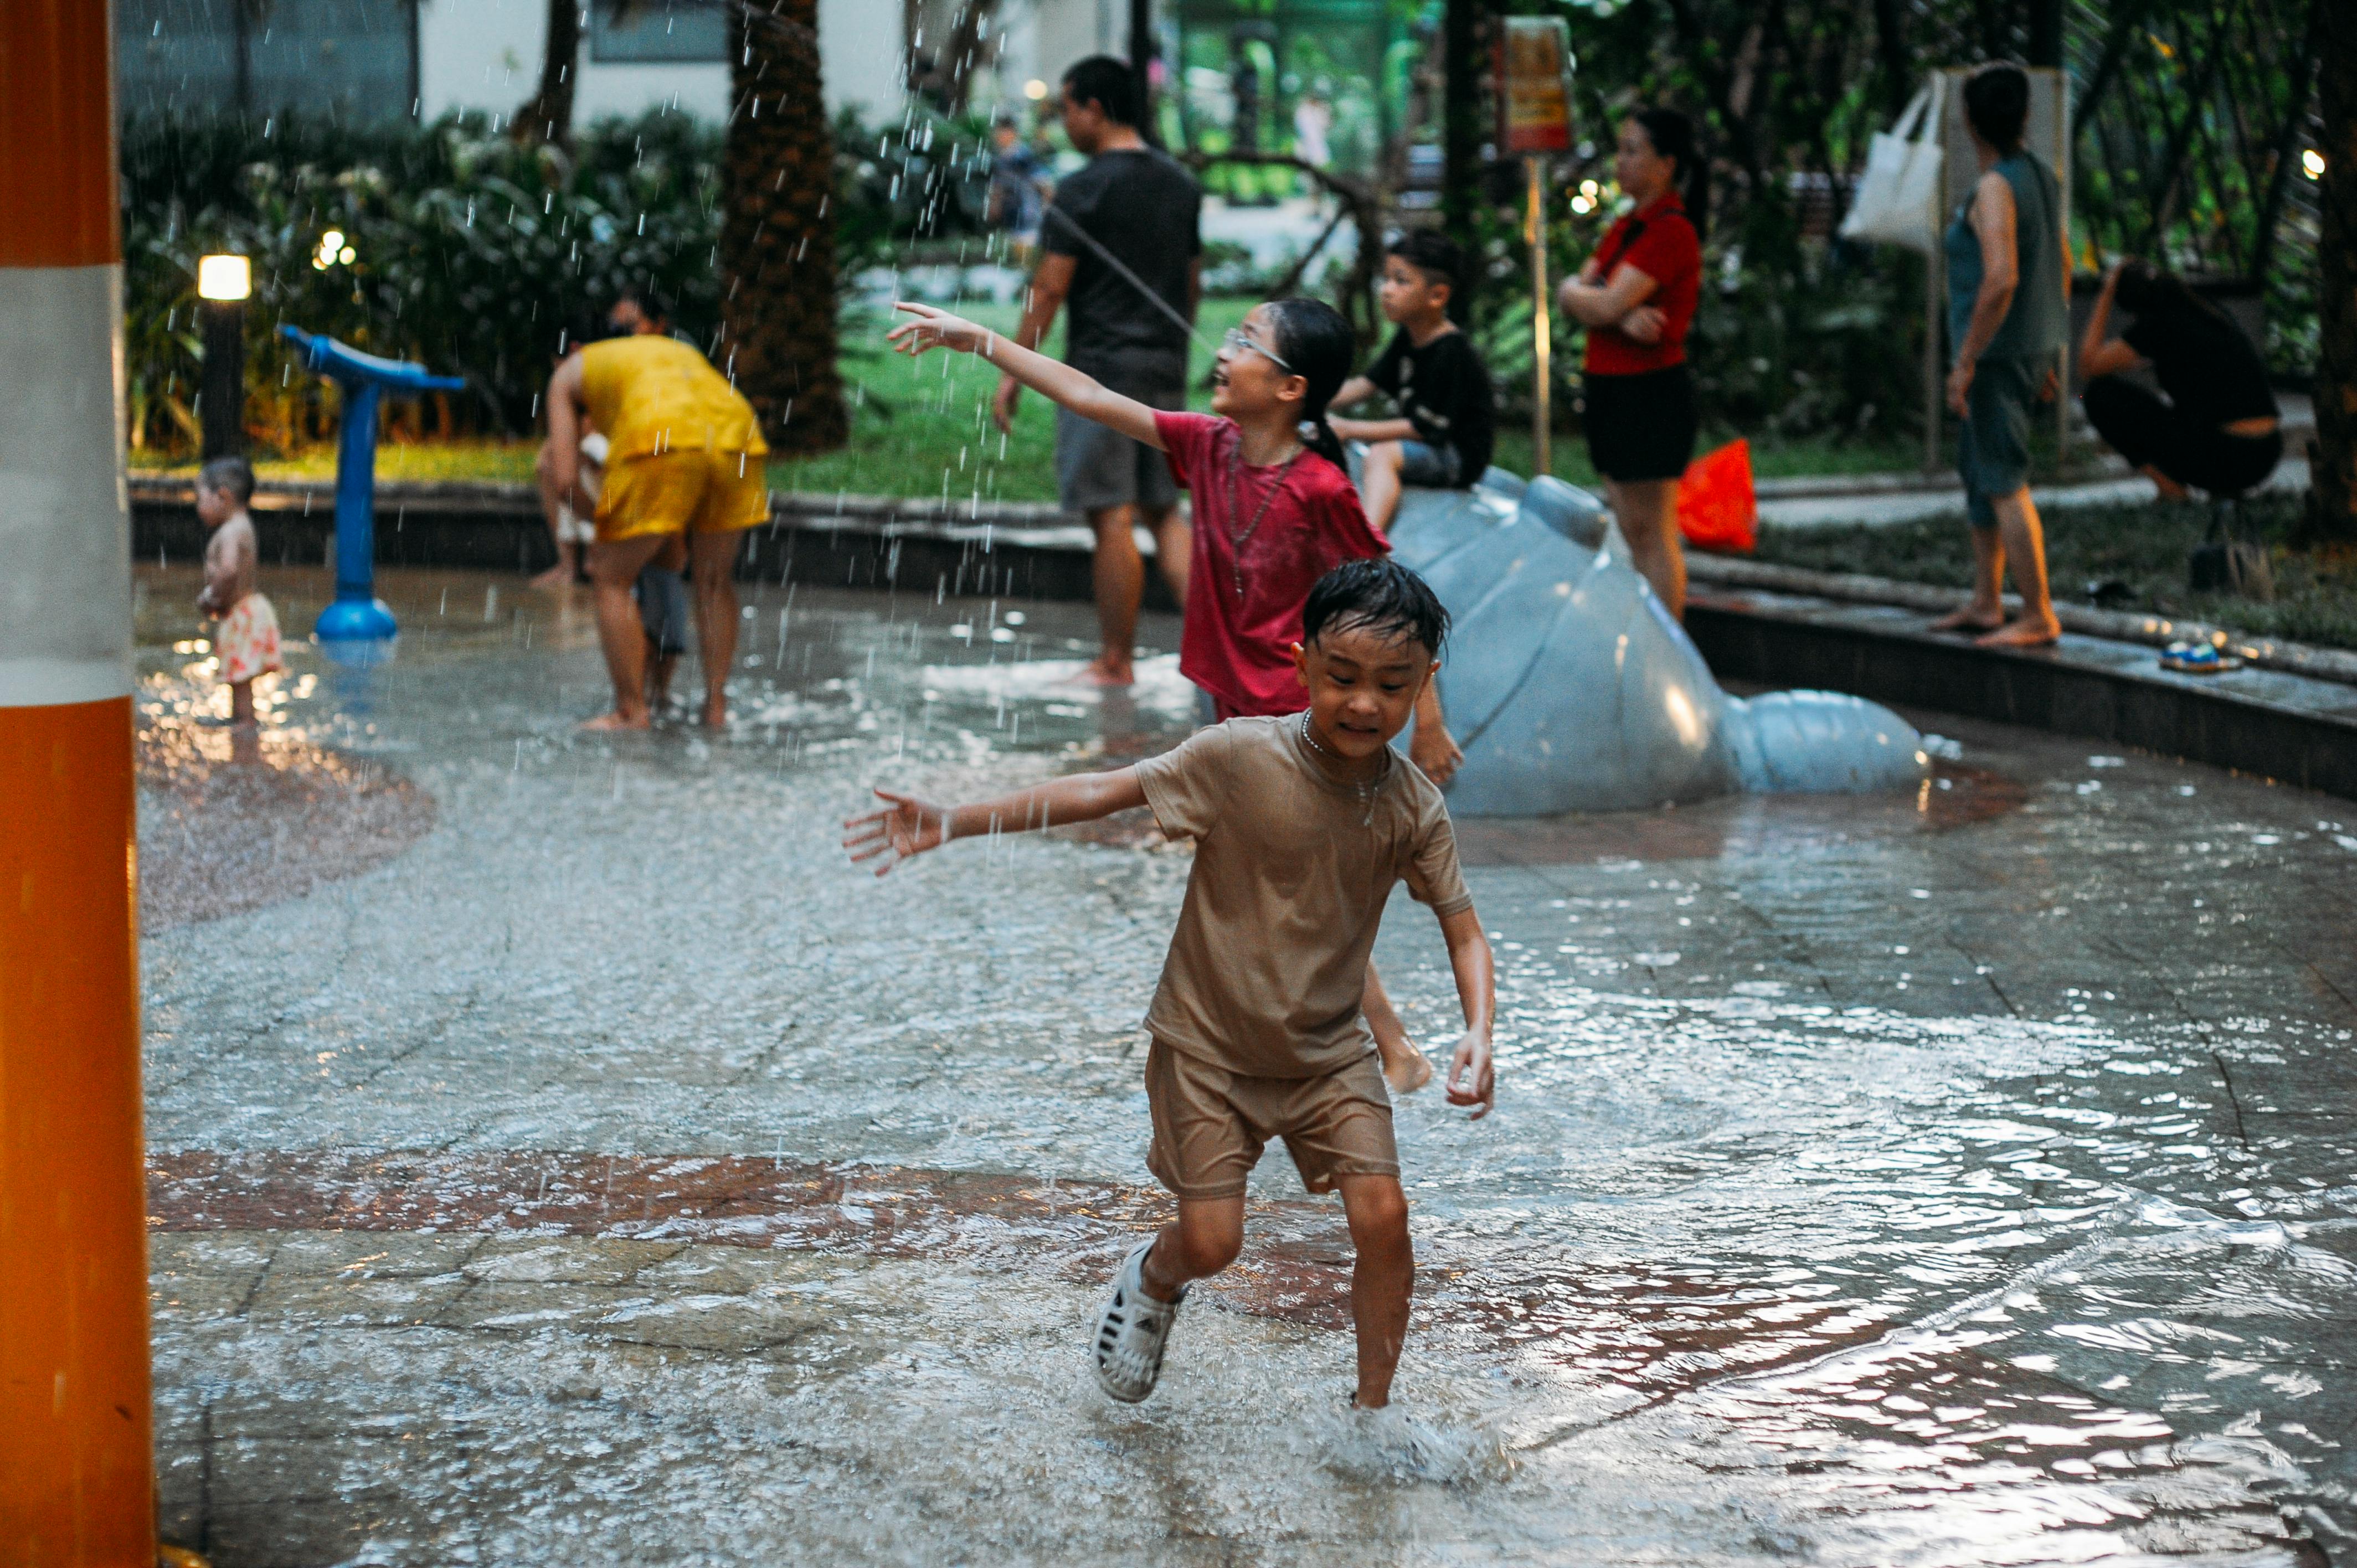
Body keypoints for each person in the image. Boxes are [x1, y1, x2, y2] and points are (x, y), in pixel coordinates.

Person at [842, 557, 1497, 1435]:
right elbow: (1102, 792)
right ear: (1300, 661)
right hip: (1207, 1051)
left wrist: (1479, 1029)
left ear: (1426, 684)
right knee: (1214, 1244)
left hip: (1328, 1056)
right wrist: (960, 819)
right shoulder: (1237, 757)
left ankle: (1373, 1417)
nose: (1365, 704)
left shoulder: (1414, 805)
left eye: (1392, 685)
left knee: (1386, 1218)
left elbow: (1464, 930)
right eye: (1342, 677)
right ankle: (1153, 1279)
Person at [895, 293, 1449, 1092]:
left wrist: (1427, 722)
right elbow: (1089, 395)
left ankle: (1352, 1052)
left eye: (1246, 342)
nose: (1223, 351)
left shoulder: (1318, 488)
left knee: (1284, 886)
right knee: (1281, 888)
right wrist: (982, 341)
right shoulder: (1206, 445)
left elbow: (1397, 610)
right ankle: (1361, 1050)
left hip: (1295, 715)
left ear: (1290, 387)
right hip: (1233, 704)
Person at [992, 54, 1203, 687]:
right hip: (1164, 364)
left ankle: (1115, 662)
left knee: (1110, 512)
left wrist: (1013, 370)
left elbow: (1049, 287)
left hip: (1101, 372)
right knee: (1163, 510)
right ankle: (1220, 658)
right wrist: (1173, 352)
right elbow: (1191, 281)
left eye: (1065, 108)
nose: (1063, 121)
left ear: (1093, 108)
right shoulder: (1179, 184)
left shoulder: (1082, 187)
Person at [544, 295, 770, 730]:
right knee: (713, 580)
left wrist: (601, 528)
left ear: (571, 351)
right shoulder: (670, 349)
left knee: (611, 576)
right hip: (737, 435)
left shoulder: (568, 374)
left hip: (661, 433)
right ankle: (716, 707)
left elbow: (564, 480)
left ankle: (632, 711)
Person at [1929, 63, 2068, 649]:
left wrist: (1965, 360)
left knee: (2005, 481)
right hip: (2026, 347)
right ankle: (1987, 601)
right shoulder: (2041, 176)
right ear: (2026, 115)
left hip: (1994, 354)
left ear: (1968, 121)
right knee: (1981, 474)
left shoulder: (1993, 188)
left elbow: (2002, 277)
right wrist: (2049, 347)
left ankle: (2037, 612)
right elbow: (2060, 263)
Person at [1557, 109, 1707, 620]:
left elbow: (1594, 300)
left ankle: (1667, 646)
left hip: (1649, 393)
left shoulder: (1670, 231)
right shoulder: (1627, 225)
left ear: (1667, 164)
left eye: (1633, 150)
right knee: (1630, 527)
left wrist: (1602, 304)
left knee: (1651, 532)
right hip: (1611, 389)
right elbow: (1577, 294)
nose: (1620, 161)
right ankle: (1650, 639)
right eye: (1620, 149)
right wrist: (1612, 309)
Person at [1331, 232, 1495, 539]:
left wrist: (1348, 428)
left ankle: (1366, 542)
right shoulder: (1408, 337)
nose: (1386, 290)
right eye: (1386, 279)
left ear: (1437, 296)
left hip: (1456, 456)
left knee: (1382, 454)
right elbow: (1366, 384)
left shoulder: (1451, 352)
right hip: (1428, 444)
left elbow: (1422, 428)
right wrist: (1309, 399)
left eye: (1401, 281)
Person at [2077, 260, 2282, 503]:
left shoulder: (2160, 324)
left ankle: (2171, 489)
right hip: (2266, 454)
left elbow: (2089, 366)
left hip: (2226, 457)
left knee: (2099, 395)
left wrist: (2106, 294)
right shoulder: (2209, 313)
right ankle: (2222, 488)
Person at [194, 455, 281, 730]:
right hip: (248, 609)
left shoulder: (232, 530)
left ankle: (245, 721)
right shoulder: (242, 524)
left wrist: (212, 598)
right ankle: (239, 716)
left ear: (223, 497)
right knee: (238, 669)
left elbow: (229, 571)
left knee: (241, 674)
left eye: (200, 499)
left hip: (243, 611)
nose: (198, 507)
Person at [985, 112, 1051, 265]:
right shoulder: (1001, 158)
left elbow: (1045, 184)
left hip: (1028, 218)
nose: (998, 136)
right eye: (997, 132)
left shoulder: (1023, 156)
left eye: (1002, 132)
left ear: (1012, 133)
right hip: (1012, 217)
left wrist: (1045, 211)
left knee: (1026, 261)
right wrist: (994, 205)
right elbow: (999, 186)